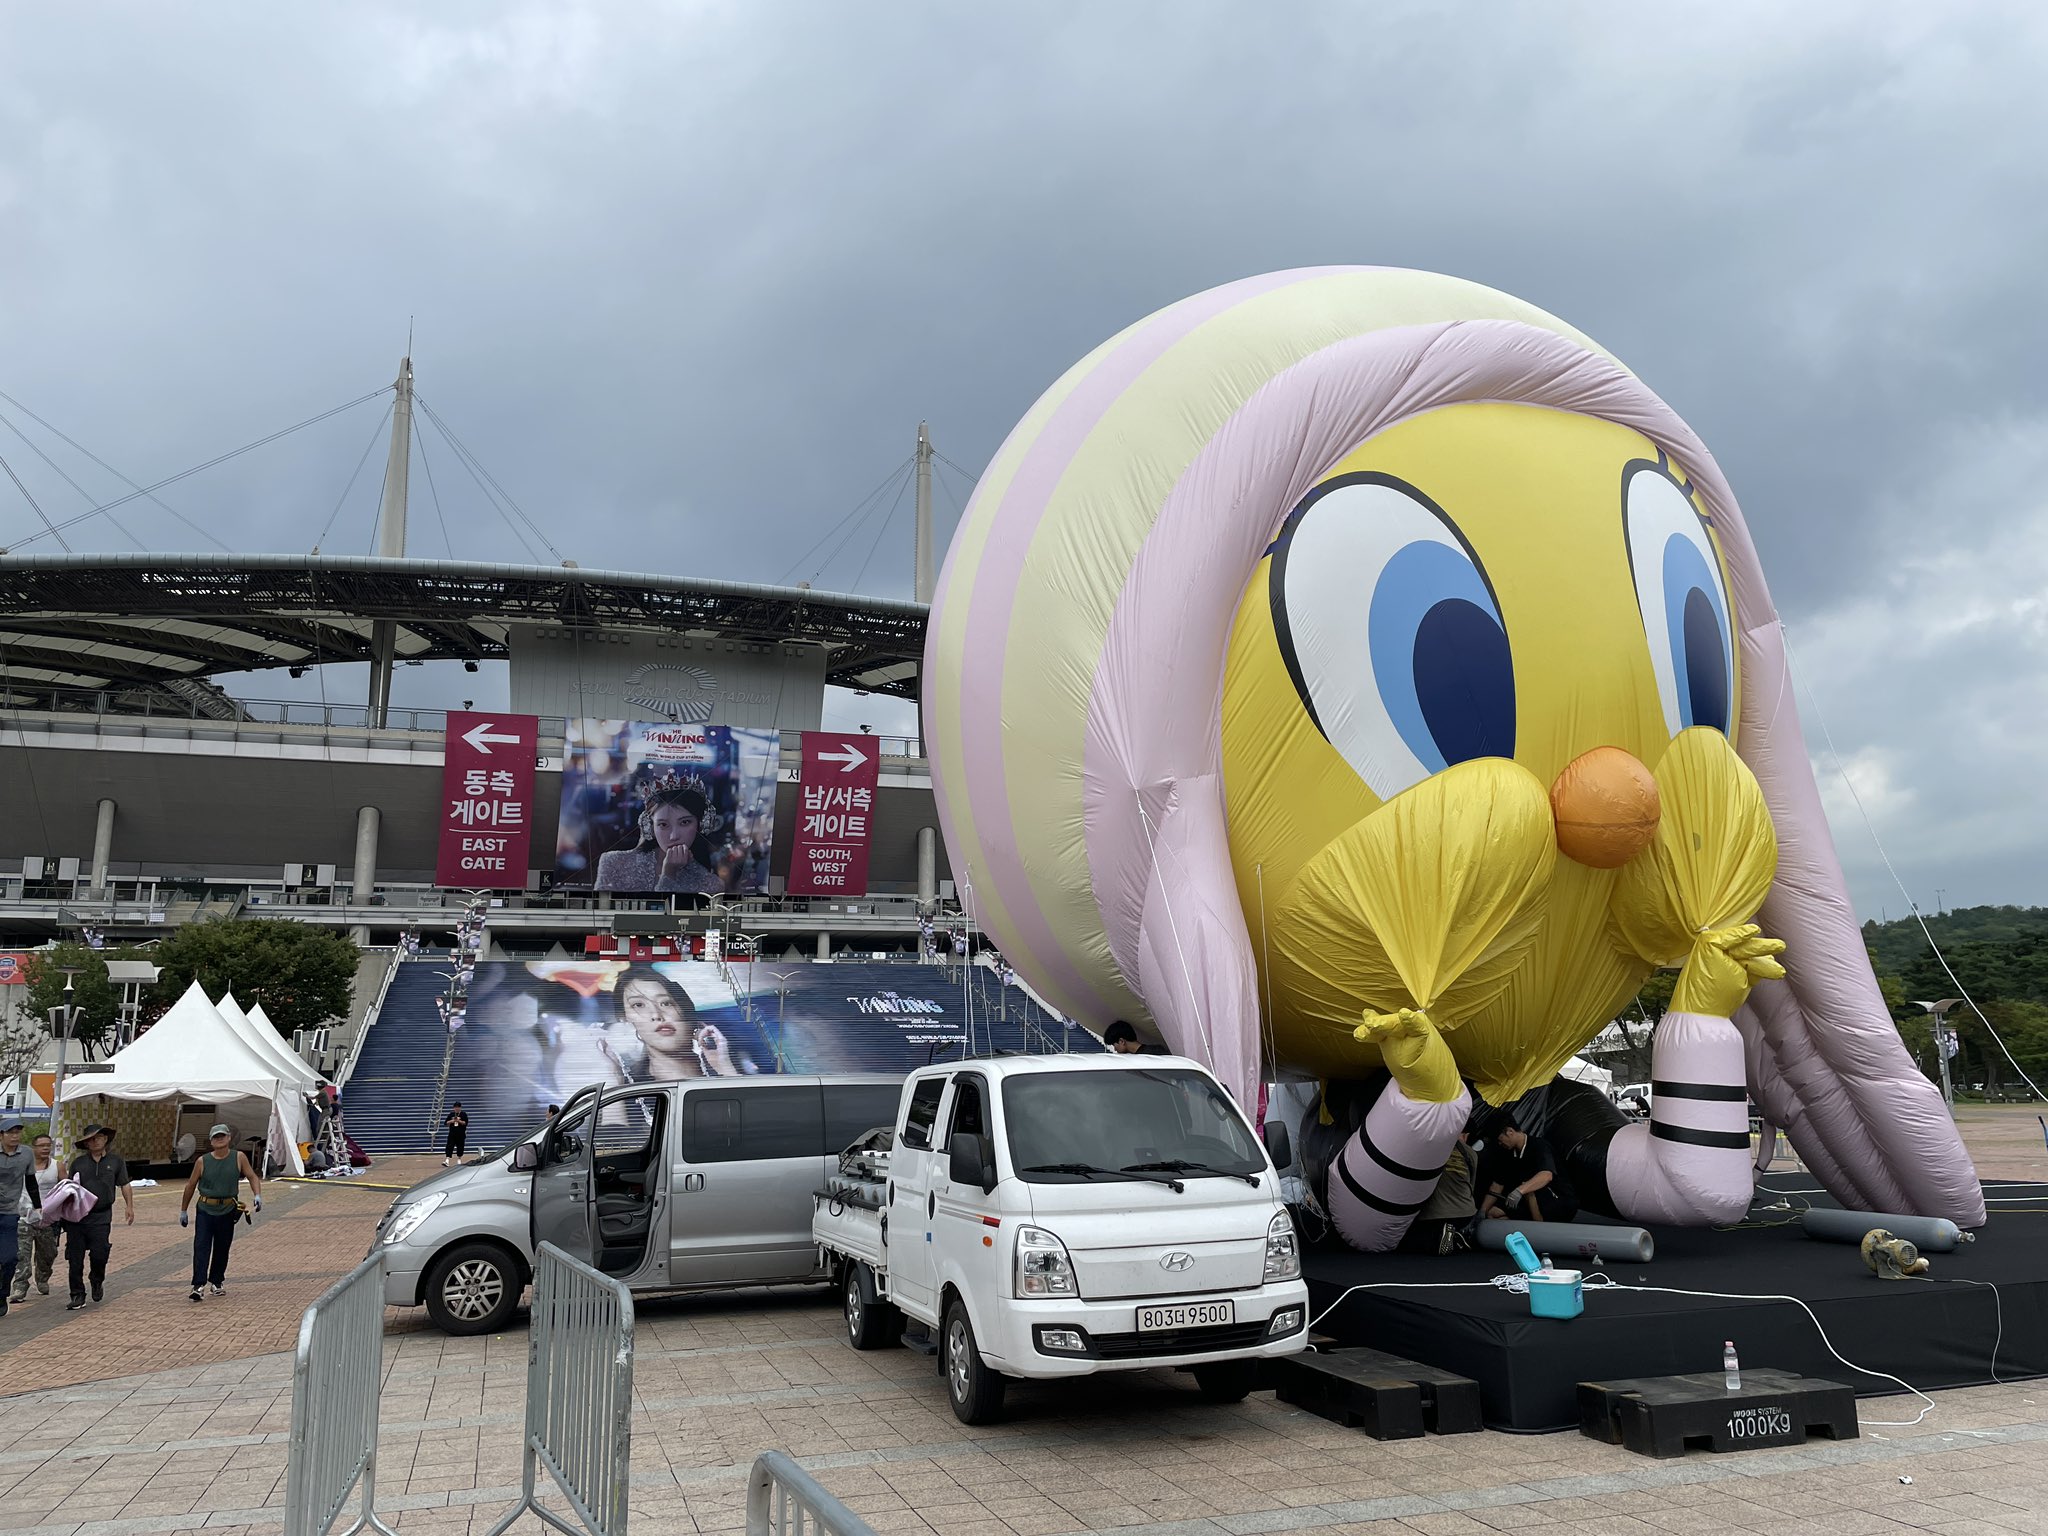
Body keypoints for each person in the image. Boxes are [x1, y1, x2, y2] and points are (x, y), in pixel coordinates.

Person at [598, 967, 745, 1084]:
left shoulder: (732, 1067)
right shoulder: (628, 1091)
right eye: (638, 1005)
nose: (656, 1014)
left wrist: (725, 1068)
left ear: (685, 1010)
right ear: (625, 1019)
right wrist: (613, 1081)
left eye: (666, 1003)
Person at [594, 779, 725, 895]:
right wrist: (668, 873)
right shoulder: (613, 863)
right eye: (663, 824)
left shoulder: (711, 884)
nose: (674, 836)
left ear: (701, 824)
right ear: (650, 826)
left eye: (685, 822)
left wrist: (669, 872)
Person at [178, 1125, 262, 1301]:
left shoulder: (238, 1157)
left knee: (222, 1247)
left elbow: (252, 1176)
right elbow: (191, 1185)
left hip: (227, 1209)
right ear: (211, 1141)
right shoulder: (202, 1161)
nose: (219, 1139)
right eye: (216, 1137)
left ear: (229, 1138)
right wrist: (184, 1210)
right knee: (201, 1246)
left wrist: (257, 1195)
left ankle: (217, 1281)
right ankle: (198, 1285)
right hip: (206, 1209)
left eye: (222, 1136)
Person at [63, 1124, 132, 1310]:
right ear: (85, 1143)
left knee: (100, 1253)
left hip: (101, 1216)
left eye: (98, 1137)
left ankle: (96, 1279)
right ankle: (77, 1294)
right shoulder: (78, 1163)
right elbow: (70, 1189)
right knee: (75, 1257)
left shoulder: (115, 1161)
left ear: (106, 1139)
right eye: (91, 1139)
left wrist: (129, 1206)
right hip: (78, 1217)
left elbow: (124, 1184)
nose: (95, 1141)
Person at [1475, 1116, 1577, 1224]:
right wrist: (1482, 1211)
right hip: (1528, 1202)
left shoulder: (1539, 1146)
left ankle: (1539, 1229)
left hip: (1558, 1201)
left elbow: (1547, 1175)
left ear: (1510, 1131)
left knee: (1529, 1189)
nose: (1500, 1144)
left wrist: (1519, 1191)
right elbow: (1497, 1185)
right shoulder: (1507, 1154)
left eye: (1500, 1140)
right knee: (1493, 1213)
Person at [10, 1133, 62, 1303]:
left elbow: (66, 1189)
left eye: (48, 1145)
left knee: (48, 1253)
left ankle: (43, 1276)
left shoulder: (57, 1166)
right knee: (22, 1254)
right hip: (24, 1217)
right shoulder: (23, 1165)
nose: (46, 1148)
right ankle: (20, 1286)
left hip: (48, 1218)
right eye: (41, 1145)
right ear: (34, 1148)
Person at [0, 1119, 42, 1319]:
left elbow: (31, 1180)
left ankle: (2, 1294)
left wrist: (38, 1206)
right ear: (1, 1135)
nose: (14, 1136)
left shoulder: (26, 1154)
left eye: (17, 1132)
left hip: (9, 1212)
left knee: (9, 1258)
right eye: (10, 1132)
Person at [1103, 1020, 1169, 1056]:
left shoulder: (1151, 1054)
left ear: (1121, 1041)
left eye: (1114, 1045)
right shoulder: (1156, 1050)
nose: (1115, 1049)